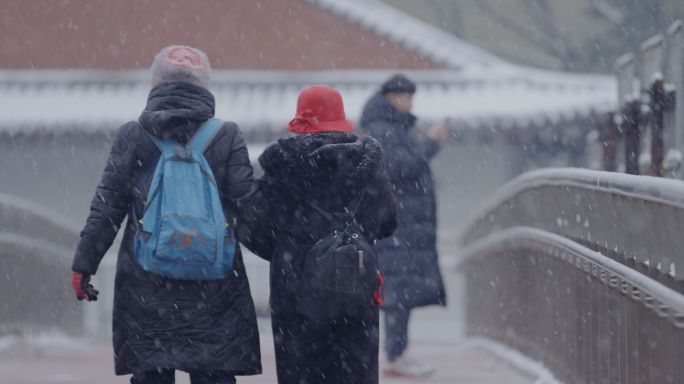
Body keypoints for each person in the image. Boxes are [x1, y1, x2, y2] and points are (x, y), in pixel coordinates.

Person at [70, 45, 261, 384]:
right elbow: (248, 205)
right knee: (214, 373)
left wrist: (84, 263)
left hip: (148, 281)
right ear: (205, 85)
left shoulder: (134, 135)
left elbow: (108, 205)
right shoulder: (226, 135)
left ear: (155, 82)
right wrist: (284, 255)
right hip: (214, 281)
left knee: (152, 372)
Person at [237, 85, 398, 384]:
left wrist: (290, 249)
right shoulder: (368, 165)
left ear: (301, 123)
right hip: (355, 288)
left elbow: (254, 230)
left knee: (301, 373)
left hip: (297, 296)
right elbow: (388, 222)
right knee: (355, 371)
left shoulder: (282, 169)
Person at [360, 74, 448, 379]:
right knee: (397, 291)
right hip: (398, 225)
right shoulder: (384, 130)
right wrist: (431, 143)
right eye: (405, 95)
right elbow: (403, 168)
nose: (410, 100)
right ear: (391, 97)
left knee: (400, 290)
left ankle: (397, 352)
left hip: (404, 225)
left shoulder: (394, 128)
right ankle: (395, 354)